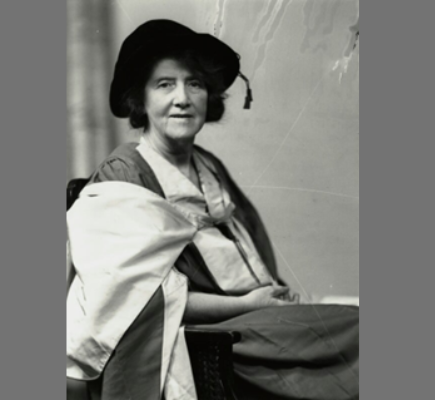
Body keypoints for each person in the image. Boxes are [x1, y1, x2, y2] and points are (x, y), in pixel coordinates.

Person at [67, 20, 359, 400]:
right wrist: (245, 303)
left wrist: (262, 300)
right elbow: (137, 299)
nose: (183, 98)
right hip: (204, 340)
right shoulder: (125, 173)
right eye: (164, 84)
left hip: (255, 318)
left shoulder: (209, 167)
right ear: (141, 99)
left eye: (196, 83)